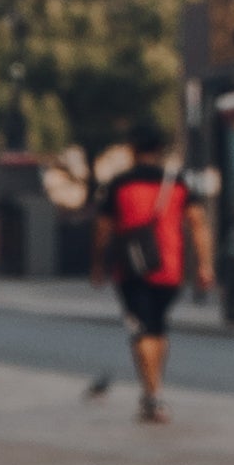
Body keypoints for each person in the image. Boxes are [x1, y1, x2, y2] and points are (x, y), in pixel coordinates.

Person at [92, 144, 193, 423]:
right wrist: (205, 267)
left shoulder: (119, 184)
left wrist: (98, 264)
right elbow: (198, 222)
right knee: (158, 328)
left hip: (132, 268)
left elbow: (103, 228)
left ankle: (153, 395)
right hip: (171, 268)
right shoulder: (177, 183)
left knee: (141, 330)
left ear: (134, 150)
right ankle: (153, 389)